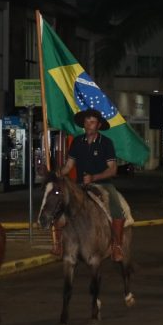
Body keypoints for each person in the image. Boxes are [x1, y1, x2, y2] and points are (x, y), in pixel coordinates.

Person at [60, 108, 128, 261]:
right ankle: (60, 243)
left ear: (98, 126)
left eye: (92, 122)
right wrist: (59, 173)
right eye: (86, 122)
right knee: (60, 205)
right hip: (80, 186)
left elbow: (112, 169)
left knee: (117, 209)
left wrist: (94, 177)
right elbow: (69, 165)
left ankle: (116, 245)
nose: (89, 125)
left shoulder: (106, 143)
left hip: (103, 185)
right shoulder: (77, 142)